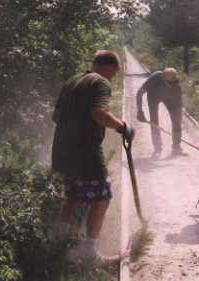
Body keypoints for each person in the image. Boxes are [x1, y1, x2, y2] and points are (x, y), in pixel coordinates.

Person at [51, 50, 134, 263]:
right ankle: (90, 253)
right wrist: (123, 127)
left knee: (74, 197)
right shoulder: (99, 82)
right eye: (113, 75)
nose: (111, 79)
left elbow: (56, 116)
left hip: (62, 151)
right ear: (109, 67)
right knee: (102, 197)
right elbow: (99, 113)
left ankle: (57, 247)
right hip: (85, 152)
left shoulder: (72, 81)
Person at [136, 68, 184, 156]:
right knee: (154, 121)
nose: (171, 85)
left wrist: (178, 121)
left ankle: (176, 147)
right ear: (162, 78)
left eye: (172, 83)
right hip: (153, 96)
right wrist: (139, 111)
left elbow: (179, 108)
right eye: (169, 83)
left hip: (170, 97)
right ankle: (157, 148)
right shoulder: (154, 79)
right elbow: (139, 93)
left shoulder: (176, 87)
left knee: (177, 120)